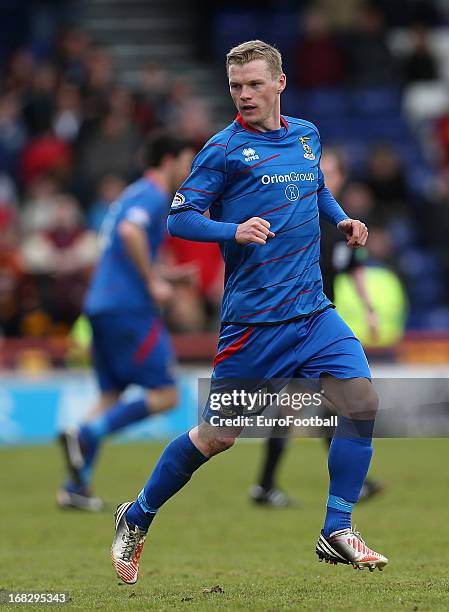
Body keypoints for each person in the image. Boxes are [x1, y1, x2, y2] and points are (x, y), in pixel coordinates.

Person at [111, 40, 388, 584]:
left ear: (279, 83)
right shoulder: (222, 150)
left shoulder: (306, 136)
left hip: (312, 312)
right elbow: (180, 218)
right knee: (217, 438)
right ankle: (138, 514)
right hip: (255, 324)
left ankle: (337, 528)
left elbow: (315, 190)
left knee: (361, 400)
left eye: (255, 84)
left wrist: (343, 220)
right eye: (236, 86)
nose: (244, 95)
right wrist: (230, 229)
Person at [57, 132, 195, 511]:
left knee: (110, 395)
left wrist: (167, 275)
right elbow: (129, 232)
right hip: (129, 308)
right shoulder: (151, 195)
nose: (190, 168)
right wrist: (152, 280)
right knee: (168, 393)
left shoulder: (131, 195)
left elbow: (123, 245)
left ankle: (75, 486)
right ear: (168, 161)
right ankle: (86, 432)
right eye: (187, 159)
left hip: (101, 306)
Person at [250, 150, 383, 508]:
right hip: (298, 324)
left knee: (315, 404)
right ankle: (268, 486)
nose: (323, 176)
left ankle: (267, 486)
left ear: (340, 178)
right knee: (314, 404)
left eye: (329, 172)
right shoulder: (300, 214)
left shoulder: (343, 224)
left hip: (319, 326)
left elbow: (355, 268)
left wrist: (370, 309)